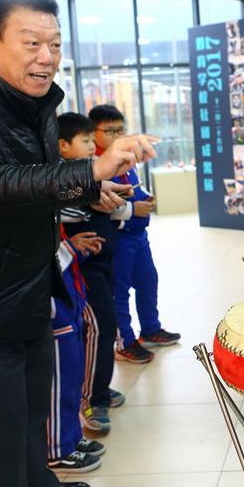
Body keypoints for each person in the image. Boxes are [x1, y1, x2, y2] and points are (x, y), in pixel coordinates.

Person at [0, 0, 157, 487]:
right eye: (31, 43)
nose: (46, 57)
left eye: (54, 43)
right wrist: (90, 167)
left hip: (30, 280)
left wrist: (92, 188)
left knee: (32, 415)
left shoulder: (37, 100)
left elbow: (38, 177)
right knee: (0, 436)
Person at [89, 105, 181, 364]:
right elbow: (98, 204)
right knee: (119, 292)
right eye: (110, 130)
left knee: (148, 280)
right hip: (117, 238)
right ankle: (125, 341)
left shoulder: (123, 157)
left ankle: (151, 329)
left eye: (121, 129)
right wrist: (132, 209)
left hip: (139, 236)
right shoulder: (95, 164)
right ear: (94, 132)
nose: (117, 135)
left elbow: (132, 190)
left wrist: (144, 200)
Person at [58, 112, 126, 433]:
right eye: (84, 140)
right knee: (98, 327)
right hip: (82, 268)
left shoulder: (84, 174)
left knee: (106, 325)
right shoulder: (60, 178)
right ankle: (90, 401)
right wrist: (90, 200)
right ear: (61, 146)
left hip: (103, 261)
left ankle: (99, 388)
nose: (91, 146)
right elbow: (61, 210)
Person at [47, 225, 106, 473]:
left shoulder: (51, 217)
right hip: (57, 315)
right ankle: (58, 450)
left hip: (70, 309)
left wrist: (77, 248)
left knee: (73, 380)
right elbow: (45, 266)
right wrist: (70, 247)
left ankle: (72, 436)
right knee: (60, 386)